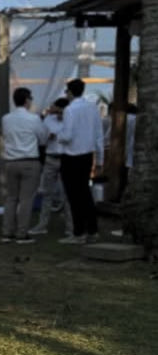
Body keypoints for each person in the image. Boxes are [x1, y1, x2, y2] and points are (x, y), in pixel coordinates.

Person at [57, 76, 104, 244]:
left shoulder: (70, 110)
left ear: (69, 92)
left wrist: (59, 136)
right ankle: (92, 229)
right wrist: (99, 161)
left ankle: (79, 232)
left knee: (74, 196)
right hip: (87, 155)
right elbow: (99, 135)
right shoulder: (93, 108)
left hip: (71, 156)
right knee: (85, 193)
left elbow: (68, 135)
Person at [0, 86, 47, 244]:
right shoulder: (33, 119)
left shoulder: (6, 118)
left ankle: (7, 232)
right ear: (27, 101)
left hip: (11, 161)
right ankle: (22, 233)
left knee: (11, 198)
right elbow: (42, 139)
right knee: (26, 199)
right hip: (29, 161)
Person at [28, 97, 72, 238]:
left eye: (61, 112)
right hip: (51, 157)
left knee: (68, 194)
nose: (58, 114)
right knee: (47, 192)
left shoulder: (72, 120)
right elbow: (40, 139)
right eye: (57, 111)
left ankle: (70, 227)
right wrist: (48, 137)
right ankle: (42, 224)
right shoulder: (48, 120)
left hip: (66, 158)